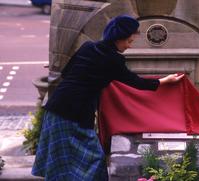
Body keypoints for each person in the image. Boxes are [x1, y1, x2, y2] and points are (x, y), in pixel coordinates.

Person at [31, 15, 184, 180]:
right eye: (129, 42)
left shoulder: (88, 47)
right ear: (118, 39)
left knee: (62, 164)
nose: (129, 46)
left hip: (57, 108)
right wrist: (164, 81)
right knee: (94, 160)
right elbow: (137, 82)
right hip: (71, 114)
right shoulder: (113, 60)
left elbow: (67, 72)